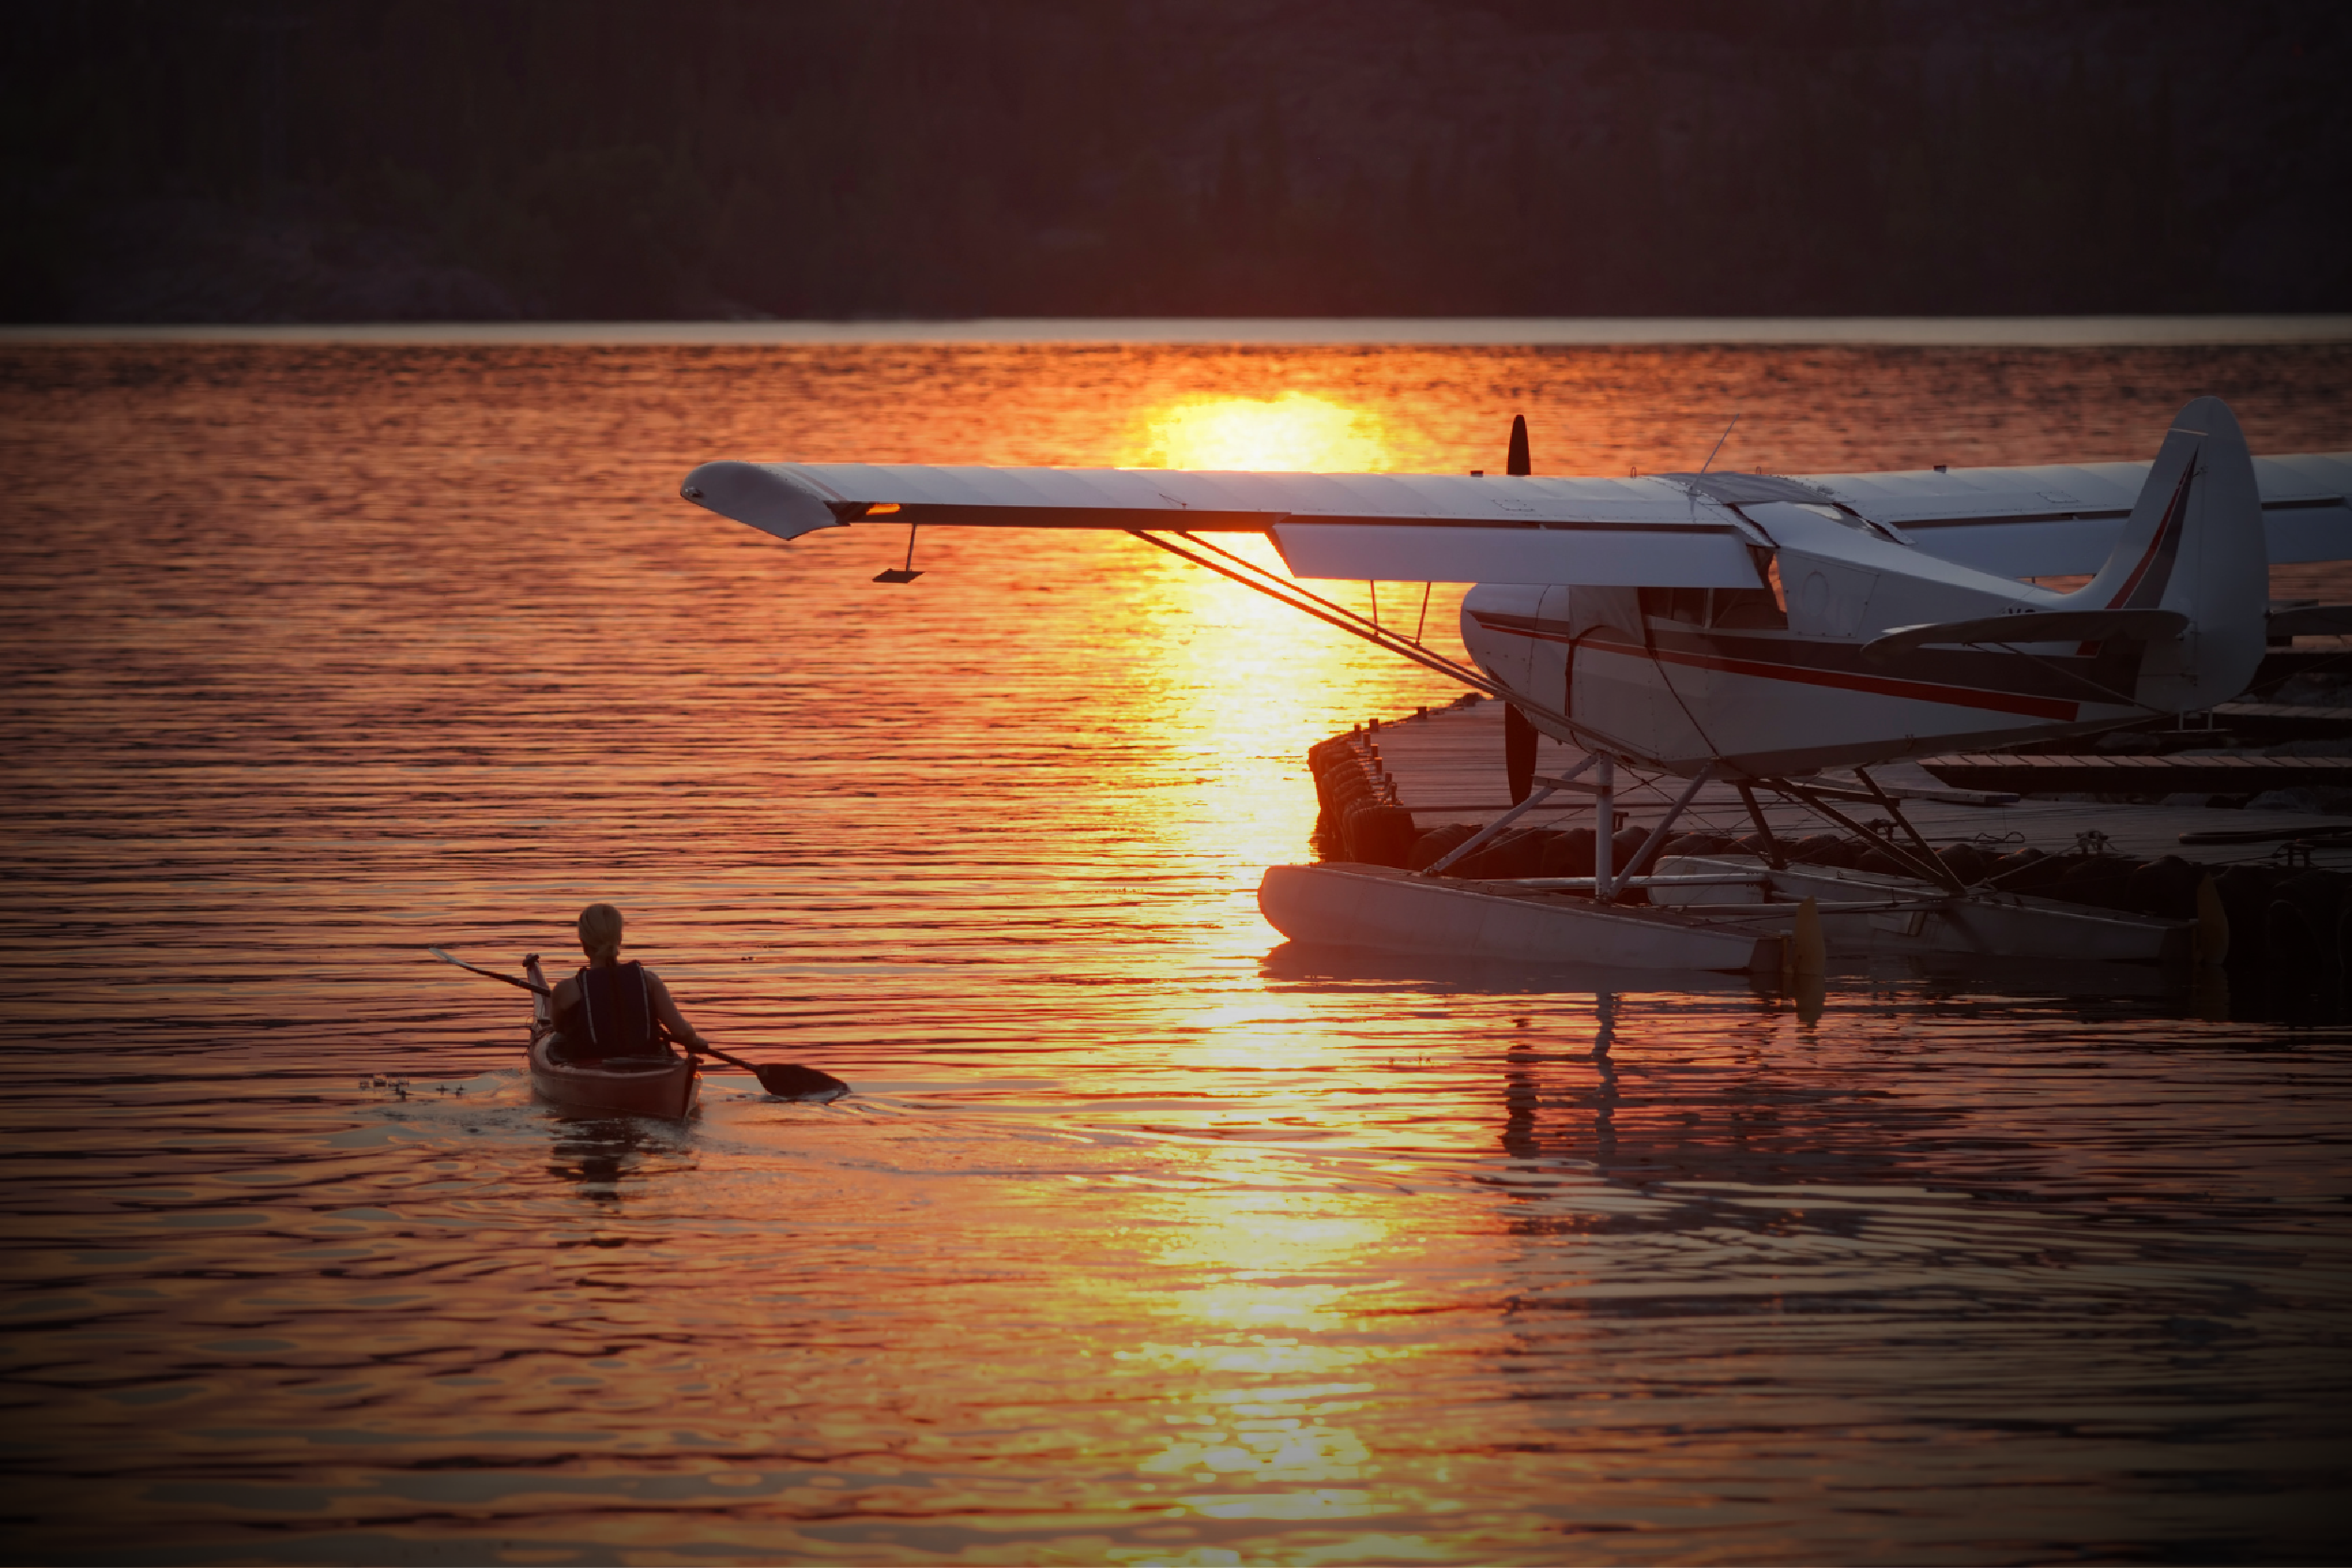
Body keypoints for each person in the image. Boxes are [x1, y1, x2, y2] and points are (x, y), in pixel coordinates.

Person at [548, 903, 707, 1062]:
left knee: (556, 1042)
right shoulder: (649, 981)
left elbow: (558, 1029)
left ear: (583, 943)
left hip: (592, 1066)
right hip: (647, 1065)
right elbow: (683, 1033)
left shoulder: (565, 990)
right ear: (619, 938)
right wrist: (695, 1042)